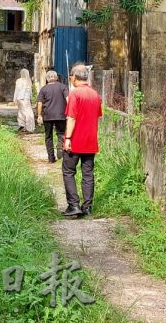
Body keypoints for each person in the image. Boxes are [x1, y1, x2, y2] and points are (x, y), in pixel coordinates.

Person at [61, 64, 102, 218]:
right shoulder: (95, 94)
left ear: (74, 77)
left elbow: (71, 117)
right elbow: (96, 115)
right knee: (88, 174)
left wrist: (68, 138)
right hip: (90, 140)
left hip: (75, 140)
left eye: (70, 76)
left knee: (69, 171)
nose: (70, 79)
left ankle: (73, 205)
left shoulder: (75, 94)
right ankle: (88, 207)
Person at [37, 70, 69, 163]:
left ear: (47, 79)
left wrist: (39, 115)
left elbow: (40, 103)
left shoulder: (44, 89)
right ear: (57, 78)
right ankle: (61, 153)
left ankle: (51, 158)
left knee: (48, 137)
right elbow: (68, 100)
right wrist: (69, 113)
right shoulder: (63, 87)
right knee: (61, 134)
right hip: (61, 115)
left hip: (48, 116)